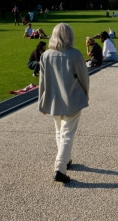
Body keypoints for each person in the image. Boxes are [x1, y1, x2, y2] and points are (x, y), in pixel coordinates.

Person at [38, 23, 89, 183]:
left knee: (60, 131)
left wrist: (41, 101)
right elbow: (84, 77)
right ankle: (60, 167)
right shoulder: (75, 54)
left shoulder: (46, 55)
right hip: (72, 99)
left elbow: (42, 82)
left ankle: (65, 160)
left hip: (53, 99)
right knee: (67, 133)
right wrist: (86, 94)